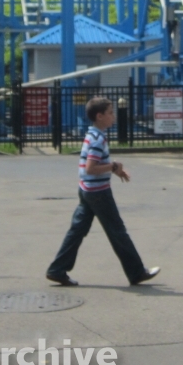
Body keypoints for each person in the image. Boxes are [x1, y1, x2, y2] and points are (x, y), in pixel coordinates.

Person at [46, 97, 161, 287]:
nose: (113, 117)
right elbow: (91, 168)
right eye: (110, 113)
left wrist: (114, 169)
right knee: (118, 231)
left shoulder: (91, 135)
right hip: (98, 193)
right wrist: (113, 166)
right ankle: (136, 272)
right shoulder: (98, 139)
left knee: (77, 230)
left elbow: (94, 166)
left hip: (87, 190)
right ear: (99, 116)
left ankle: (57, 270)